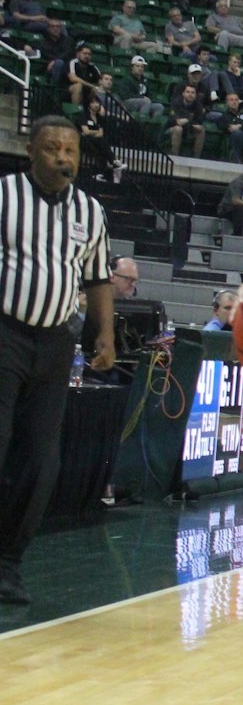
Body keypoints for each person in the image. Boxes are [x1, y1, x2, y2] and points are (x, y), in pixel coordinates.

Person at [0, 118, 115, 604]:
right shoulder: (4, 195)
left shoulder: (90, 211)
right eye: (52, 149)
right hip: (4, 333)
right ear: (31, 152)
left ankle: (7, 564)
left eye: (70, 151)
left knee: (41, 460)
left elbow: (98, 279)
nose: (63, 158)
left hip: (55, 345)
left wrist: (105, 334)